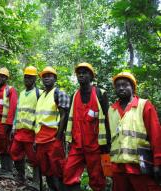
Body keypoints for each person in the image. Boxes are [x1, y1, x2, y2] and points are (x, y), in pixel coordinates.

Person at [109, 71, 161, 191]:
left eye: (125, 85)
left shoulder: (144, 105)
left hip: (141, 167)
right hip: (118, 169)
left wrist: (158, 163)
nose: (121, 88)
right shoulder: (111, 110)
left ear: (133, 87)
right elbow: (110, 139)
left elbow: (156, 136)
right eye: (118, 86)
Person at [63, 63, 110, 191]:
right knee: (68, 173)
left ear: (91, 76)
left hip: (95, 147)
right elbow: (69, 119)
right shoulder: (74, 95)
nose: (81, 74)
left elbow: (107, 120)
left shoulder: (100, 94)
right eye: (79, 73)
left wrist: (107, 145)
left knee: (97, 180)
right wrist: (67, 140)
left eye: (85, 72)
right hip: (77, 145)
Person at [35, 66, 70, 191]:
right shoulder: (42, 95)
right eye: (44, 76)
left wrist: (58, 139)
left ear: (55, 78)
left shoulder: (59, 93)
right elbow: (38, 119)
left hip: (53, 138)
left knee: (57, 170)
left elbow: (64, 116)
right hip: (41, 139)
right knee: (46, 170)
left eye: (49, 76)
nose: (46, 78)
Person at [9, 66, 41, 183]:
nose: (27, 79)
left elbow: (40, 113)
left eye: (30, 77)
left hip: (31, 132)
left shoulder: (39, 93)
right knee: (14, 152)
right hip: (19, 131)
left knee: (34, 158)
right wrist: (13, 126)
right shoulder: (22, 93)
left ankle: (36, 182)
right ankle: (21, 175)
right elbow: (18, 111)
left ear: (34, 79)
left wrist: (38, 134)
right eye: (26, 77)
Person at [0, 67, 17, 173]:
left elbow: (12, 107)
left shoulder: (10, 90)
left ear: (6, 78)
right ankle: (3, 168)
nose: (0, 78)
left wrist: (9, 123)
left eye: (3, 77)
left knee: (7, 145)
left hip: (4, 122)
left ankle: (9, 169)